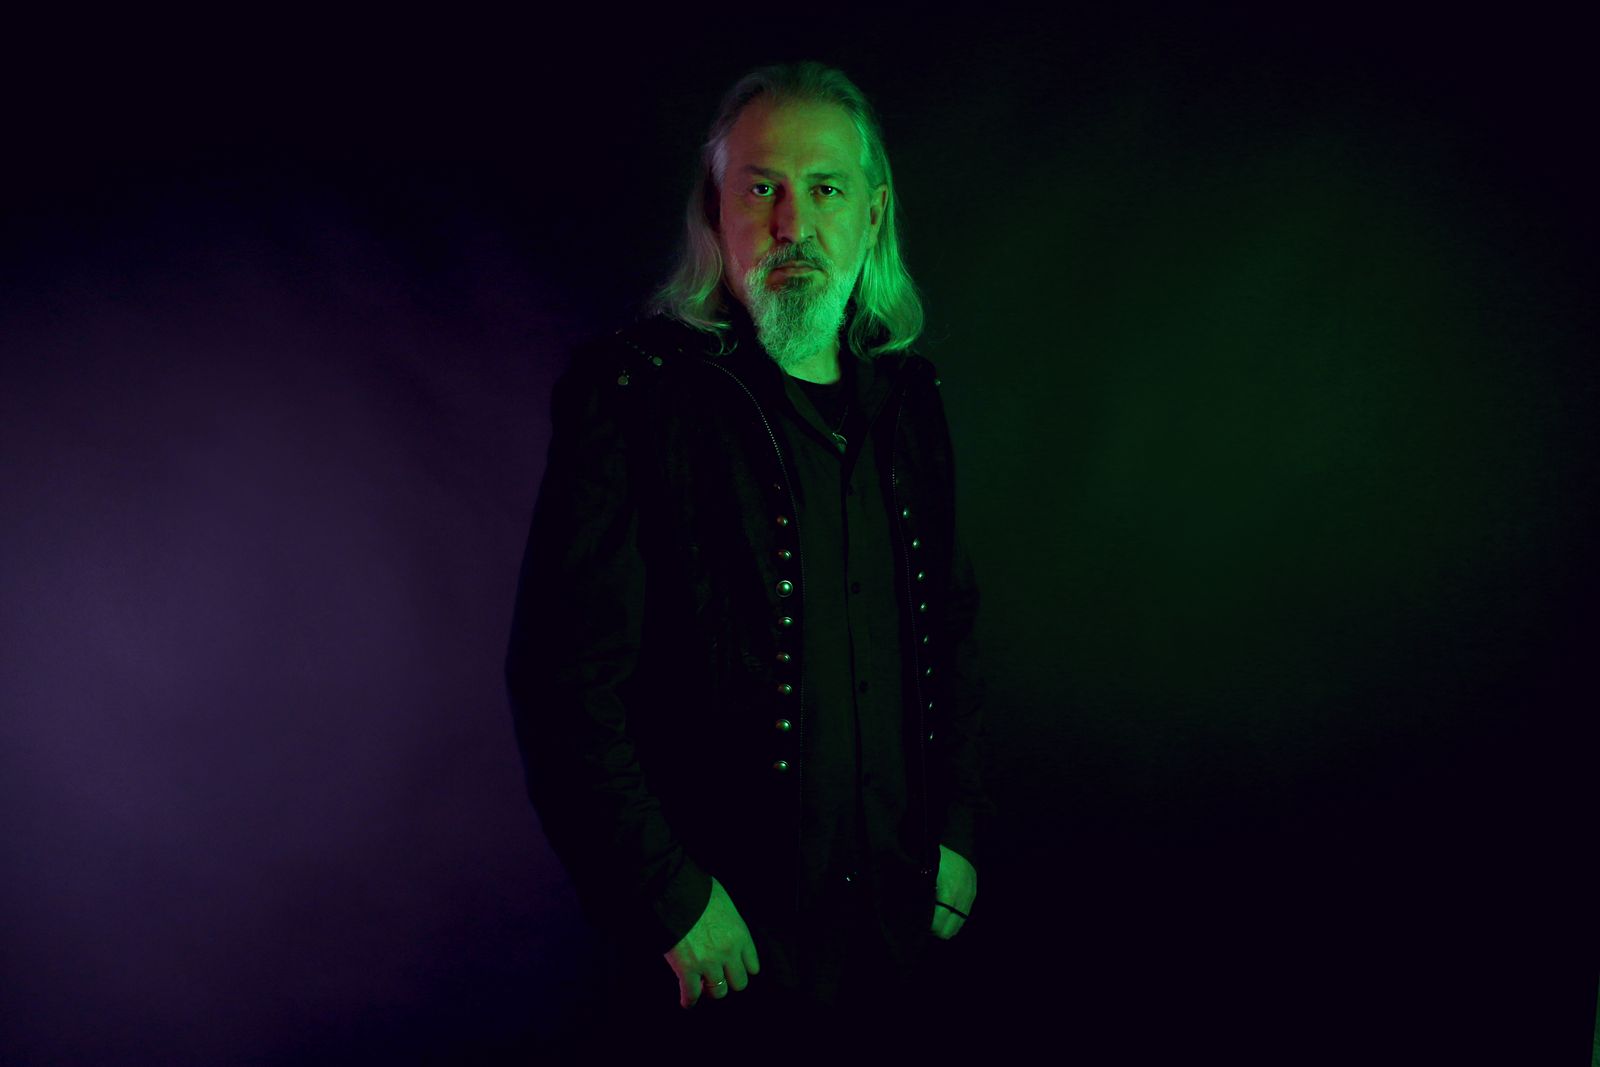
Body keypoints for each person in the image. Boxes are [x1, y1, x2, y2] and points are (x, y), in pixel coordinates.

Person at [505, 61, 990, 1044]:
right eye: (760, 187)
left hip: (899, 928)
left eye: (826, 188)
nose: (791, 223)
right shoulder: (633, 397)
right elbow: (562, 682)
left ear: (872, 213)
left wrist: (955, 828)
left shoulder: (911, 402)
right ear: (715, 210)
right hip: (727, 952)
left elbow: (951, 636)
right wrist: (670, 897)